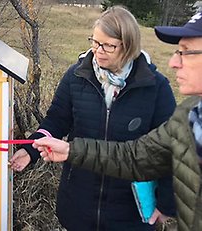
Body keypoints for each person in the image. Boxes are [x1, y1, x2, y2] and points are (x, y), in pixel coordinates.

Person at [9, 6, 176, 230]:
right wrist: (30, 150)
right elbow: (57, 120)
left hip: (130, 214)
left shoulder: (156, 87)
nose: (98, 51)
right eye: (95, 42)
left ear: (128, 46)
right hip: (78, 204)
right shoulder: (76, 76)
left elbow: (169, 150)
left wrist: (166, 202)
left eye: (108, 45)